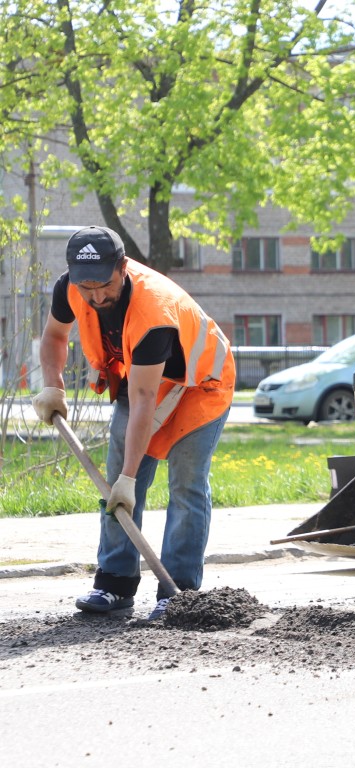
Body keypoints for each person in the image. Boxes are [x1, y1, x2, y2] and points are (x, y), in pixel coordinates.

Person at [32, 226, 235, 620]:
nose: (95, 296)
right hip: (142, 380)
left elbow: (144, 400)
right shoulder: (70, 287)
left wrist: (129, 477)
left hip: (200, 384)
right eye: (85, 287)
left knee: (186, 482)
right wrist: (52, 387)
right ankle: (114, 584)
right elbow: (55, 336)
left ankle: (179, 592)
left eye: (104, 285)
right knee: (114, 487)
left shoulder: (153, 311)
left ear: (123, 268)